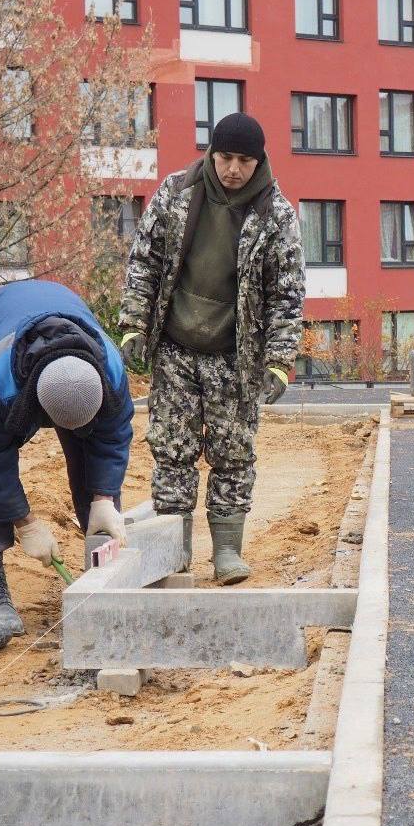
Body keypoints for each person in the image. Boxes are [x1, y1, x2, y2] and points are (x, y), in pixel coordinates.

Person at [119, 112, 304, 584]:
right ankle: (175, 551)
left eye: (245, 160)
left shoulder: (275, 215)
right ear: (212, 154)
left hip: (235, 357)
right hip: (176, 348)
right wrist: (134, 326)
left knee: (233, 453)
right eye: (226, 157)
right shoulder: (176, 193)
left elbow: (287, 293)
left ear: (258, 160)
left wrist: (280, 363)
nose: (234, 169)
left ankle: (226, 551)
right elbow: (146, 260)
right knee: (172, 451)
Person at [0, 280, 133, 642]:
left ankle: (100, 574)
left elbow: (113, 437)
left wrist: (105, 497)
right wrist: (25, 522)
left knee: (96, 474)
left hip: (58, 316)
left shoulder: (110, 370)